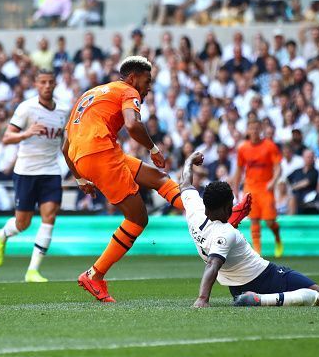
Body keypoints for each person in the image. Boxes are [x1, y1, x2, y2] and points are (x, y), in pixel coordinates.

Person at [63, 56, 250, 302]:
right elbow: (132, 125)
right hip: (101, 153)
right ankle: (94, 274)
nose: (149, 87)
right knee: (138, 218)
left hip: (90, 155)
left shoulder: (93, 93)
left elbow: (66, 146)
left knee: (160, 179)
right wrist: (153, 149)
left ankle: (211, 215)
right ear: (132, 78)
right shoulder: (128, 91)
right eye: (147, 80)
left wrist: (80, 178)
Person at [179, 151, 319, 308]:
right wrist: (202, 298)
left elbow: (185, 183)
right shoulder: (226, 232)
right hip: (264, 276)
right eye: (231, 205)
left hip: (237, 288)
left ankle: (253, 298)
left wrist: (189, 161)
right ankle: (259, 299)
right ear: (226, 208)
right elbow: (212, 264)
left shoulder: (193, 209)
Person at [0, 70, 68, 283]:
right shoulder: (26, 108)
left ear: (55, 84)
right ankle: (2, 235)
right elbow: (6, 137)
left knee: (49, 217)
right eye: (43, 82)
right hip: (26, 171)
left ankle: (32, 271)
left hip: (51, 170)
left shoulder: (63, 109)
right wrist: (26, 133)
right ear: (36, 84)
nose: (47, 86)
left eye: (51, 82)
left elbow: (65, 141)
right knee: (22, 223)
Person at [233, 119, 283, 257]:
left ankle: (278, 238)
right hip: (250, 187)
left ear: (260, 129)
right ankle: (257, 251)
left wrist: (273, 180)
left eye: (256, 128)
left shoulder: (269, 146)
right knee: (254, 219)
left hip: (266, 187)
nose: (254, 131)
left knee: (269, 222)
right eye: (251, 128)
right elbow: (238, 169)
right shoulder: (243, 148)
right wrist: (236, 188)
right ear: (248, 131)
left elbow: (278, 167)